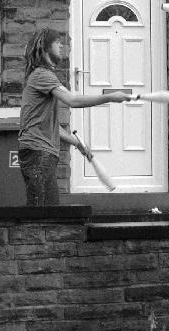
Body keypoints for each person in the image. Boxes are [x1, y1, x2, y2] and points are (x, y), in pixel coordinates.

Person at [18, 28, 132, 206]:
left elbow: (46, 125)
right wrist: (109, 97)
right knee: (41, 216)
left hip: (40, 153)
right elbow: (73, 100)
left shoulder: (40, 77)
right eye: (57, 42)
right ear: (46, 47)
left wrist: (76, 142)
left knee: (48, 211)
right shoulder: (42, 75)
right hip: (38, 153)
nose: (62, 45)